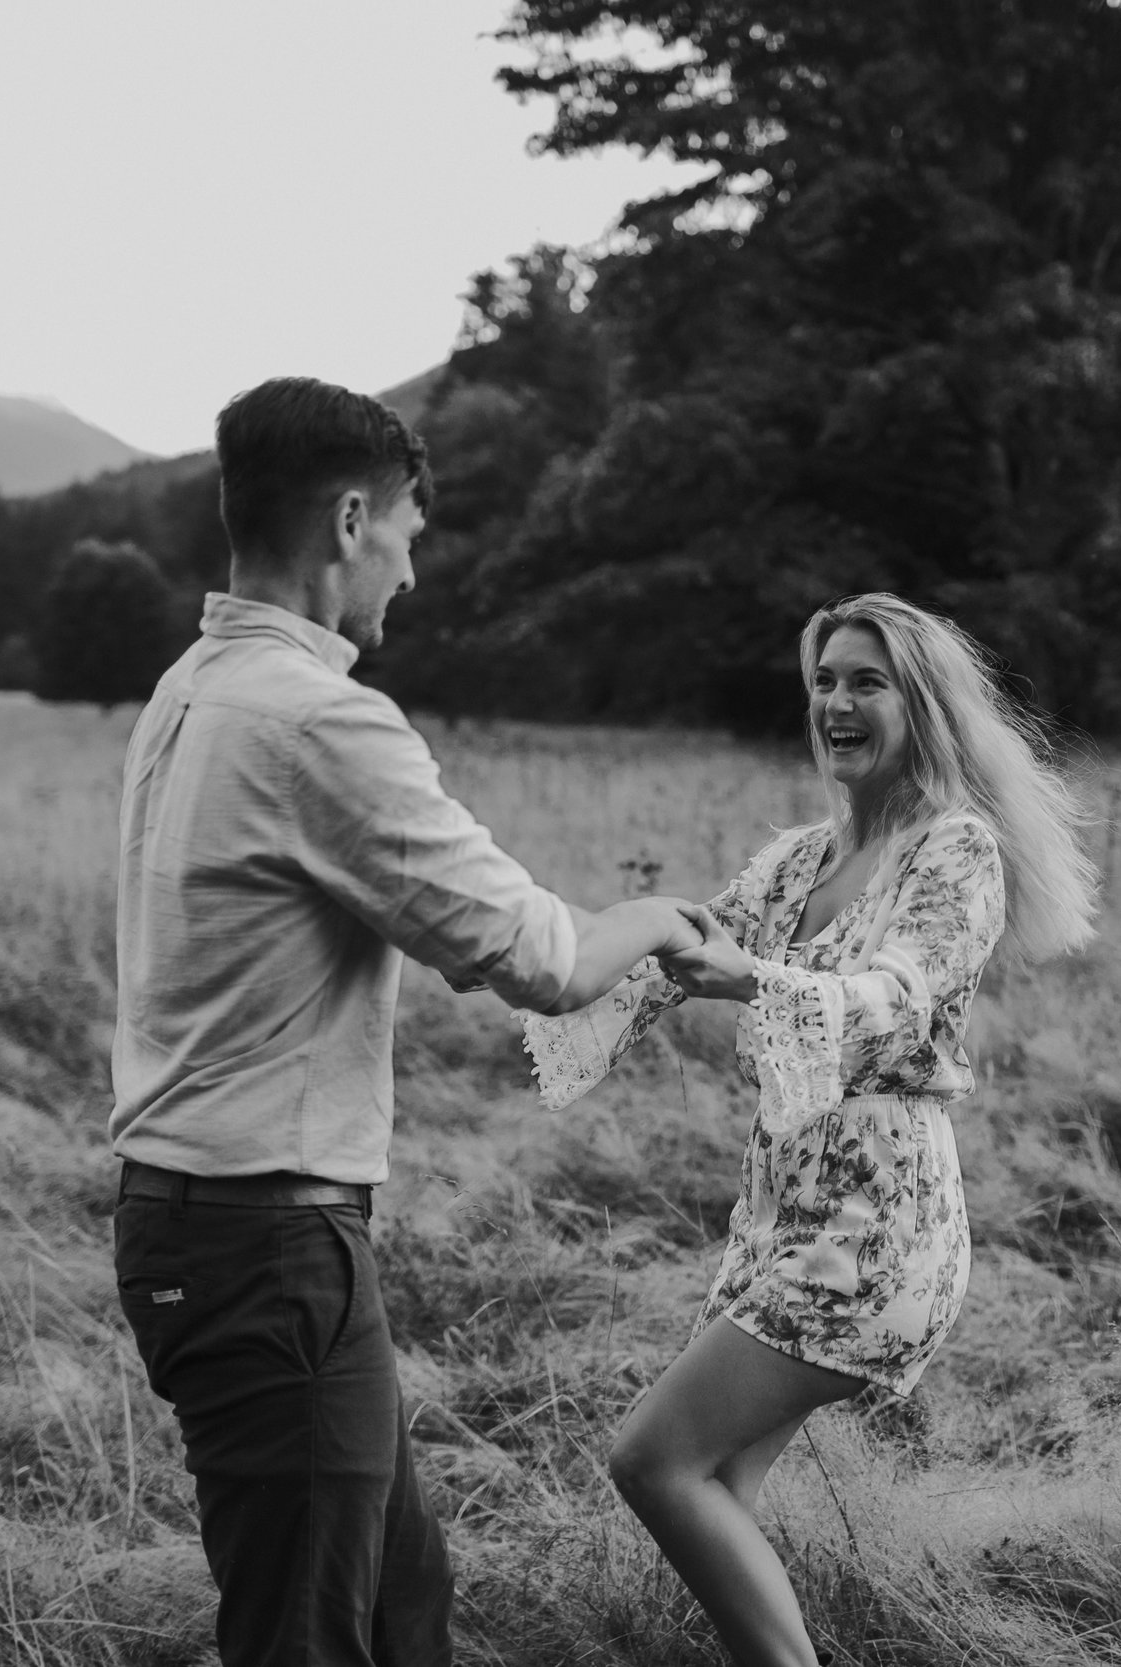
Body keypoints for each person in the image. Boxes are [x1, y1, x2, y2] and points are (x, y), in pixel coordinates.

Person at [107, 377, 704, 1667]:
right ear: (348, 521)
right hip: (265, 1237)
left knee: (396, 1600)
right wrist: (657, 917)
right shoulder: (318, 718)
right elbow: (539, 956)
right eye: (409, 541)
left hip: (231, 1226)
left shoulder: (189, 689)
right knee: (311, 1633)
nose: (412, 576)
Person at [521, 593, 1100, 1667]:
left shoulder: (955, 852)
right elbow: (684, 945)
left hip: (877, 1232)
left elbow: (897, 993)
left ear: (918, 704)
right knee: (721, 1490)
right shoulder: (794, 861)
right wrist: (537, 950)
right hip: (781, 1218)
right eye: (826, 679)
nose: (837, 700)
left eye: (866, 681)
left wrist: (754, 978)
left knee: (652, 1460)